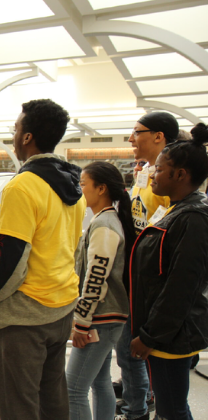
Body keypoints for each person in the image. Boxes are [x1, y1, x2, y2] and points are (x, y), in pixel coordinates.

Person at [0, 99, 86, 420]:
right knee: (52, 398)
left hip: (25, 315)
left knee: (19, 405)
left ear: (27, 137)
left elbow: (10, 260)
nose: (13, 134)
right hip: (62, 306)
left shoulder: (23, 186)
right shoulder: (74, 185)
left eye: (16, 128)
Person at [129, 123, 208, 420]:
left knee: (172, 409)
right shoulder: (177, 211)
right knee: (169, 406)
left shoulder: (193, 218)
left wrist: (150, 337)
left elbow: (181, 287)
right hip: (164, 333)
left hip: (169, 337)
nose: (152, 174)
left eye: (160, 169)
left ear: (180, 175)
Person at [116, 111, 178, 420]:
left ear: (159, 136)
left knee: (145, 358)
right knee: (129, 356)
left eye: (137, 132)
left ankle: (138, 407)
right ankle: (136, 405)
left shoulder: (172, 180)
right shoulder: (146, 174)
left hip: (153, 286)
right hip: (133, 280)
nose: (131, 138)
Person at [66, 162, 135, 420]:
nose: (79, 189)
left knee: (72, 389)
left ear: (101, 188)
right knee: (100, 381)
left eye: (83, 184)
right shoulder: (107, 219)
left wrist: (82, 322)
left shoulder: (105, 224)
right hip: (109, 317)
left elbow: (96, 277)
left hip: (99, 320)